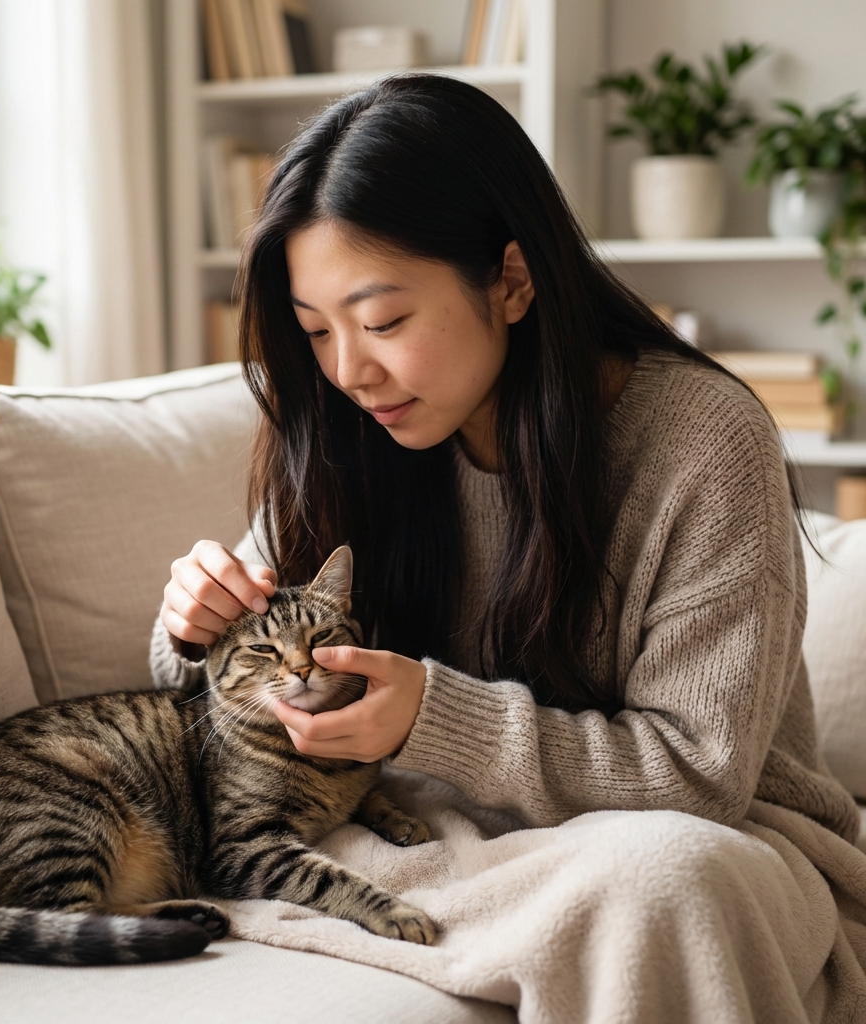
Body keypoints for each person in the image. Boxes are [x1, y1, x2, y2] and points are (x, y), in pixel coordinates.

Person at [154, 75, 866, 1019]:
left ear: (513, 279)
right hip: (441, 820)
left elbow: (700, 779)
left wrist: (430, 717)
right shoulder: (343, 429)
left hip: (703, 832)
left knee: (669, 883)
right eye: (315, 331)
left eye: (383, 322)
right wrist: (193, 626)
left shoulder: (703, 438)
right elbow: (198, 679)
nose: (348, 371)